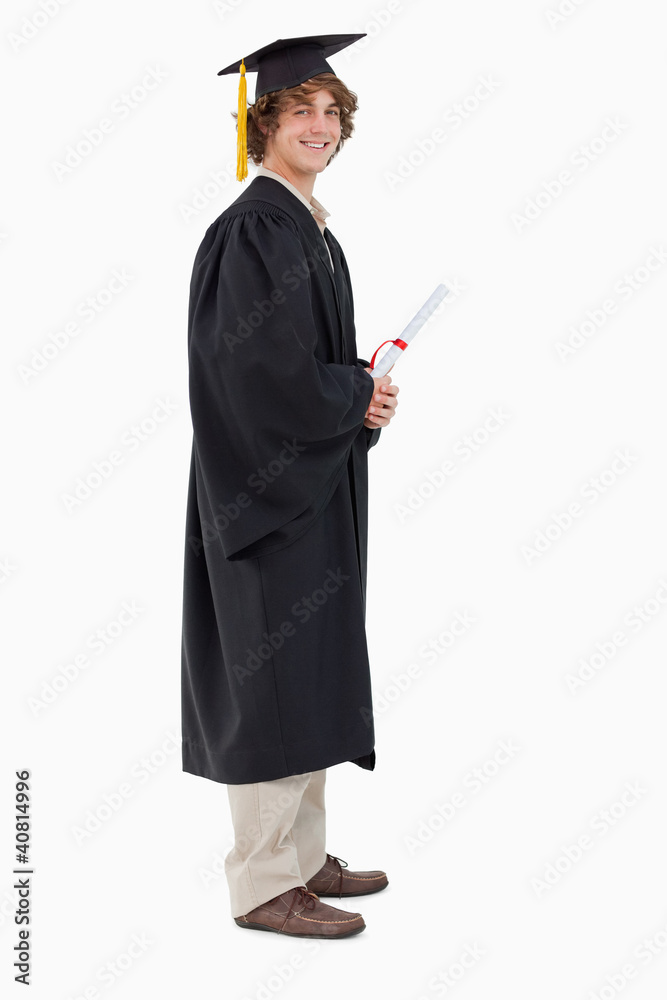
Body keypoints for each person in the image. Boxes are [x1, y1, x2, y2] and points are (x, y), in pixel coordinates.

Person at [181, 34, 400, 939]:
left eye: (331, 111)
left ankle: (302, 859)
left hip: (306, 489)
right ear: (262, 124)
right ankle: (262, 884)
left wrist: (359, 397)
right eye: (300, 110)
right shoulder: (256, 230)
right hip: (264, 498)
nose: (320, 125)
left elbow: (305, 368)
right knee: (272, 676)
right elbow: (257, 375)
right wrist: (349, 392)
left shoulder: (308, 228)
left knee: (306, 671)